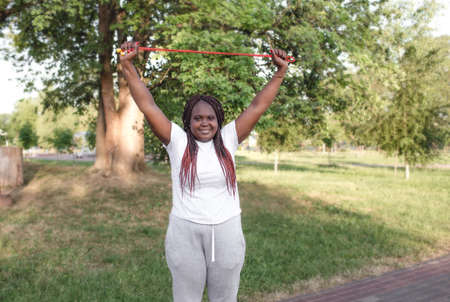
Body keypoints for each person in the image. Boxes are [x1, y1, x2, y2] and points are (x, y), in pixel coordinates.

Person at [119, 41, 289, 302]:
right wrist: (128, 65)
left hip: (227, 231)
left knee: (224, 298)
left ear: (218, 120)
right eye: (198, 118)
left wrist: (280, 72)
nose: (205, 123)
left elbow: (258, 106)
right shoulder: (178, 141)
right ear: (189, 121)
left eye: (210, 117)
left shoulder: (230, 138)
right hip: (185, 231)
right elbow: (148, 105)